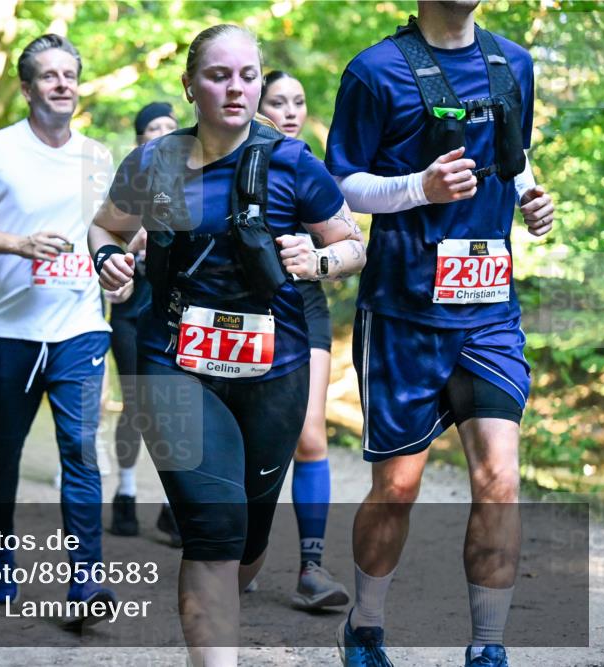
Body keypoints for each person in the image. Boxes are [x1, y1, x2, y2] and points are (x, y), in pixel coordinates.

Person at [90, 24, 366, 665]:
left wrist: (317, 260)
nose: (236, 87)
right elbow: (106, 226)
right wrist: (109, 259)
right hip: (174, 363)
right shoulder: (153, 163)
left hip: (275, 370)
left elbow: (353, 245)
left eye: (248, 75)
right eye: (219, 75)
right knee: (213, 530)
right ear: (190, 85)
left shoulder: (294, 162)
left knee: (246, 536)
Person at [324, 2, 555, 665]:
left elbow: (515, 159)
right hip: (403, 314)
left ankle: (487, 646)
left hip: (488, 313)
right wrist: (419, 188)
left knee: (500, 480)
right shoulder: (375, 71)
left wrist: (531, 196)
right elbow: (343, 185)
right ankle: (365, 627)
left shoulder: (514, 62)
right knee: (398, 487)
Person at [0, 34, 118, 623]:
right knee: (5, 451)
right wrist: (18, 244)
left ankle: (87, 585)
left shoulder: (97, 157)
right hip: (6, 331)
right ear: (26, 88)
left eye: (70, 73)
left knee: (80, 451)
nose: (62, 83)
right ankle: (0, 558)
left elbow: (112, 231)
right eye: (49, 75)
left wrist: (121, 260)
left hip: (80, 327)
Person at [255, 70, 350, 609]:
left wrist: (320, 258)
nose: (289, 111)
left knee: (310, 435)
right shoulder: (223, 158)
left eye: (298, 101)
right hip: (241, 317)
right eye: (277, 102)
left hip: (303, 308)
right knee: (252, 442)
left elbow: (342, 247)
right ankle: (242, 552)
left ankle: (312, 567)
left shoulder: (309, 165)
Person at [105, 101, 183, 549]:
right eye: (152, 128)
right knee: (137, 406)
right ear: (139, 139)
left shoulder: (200, 182)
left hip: (179, 315)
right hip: (133, 312)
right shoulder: (130, 184)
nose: (161, 133)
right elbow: (108, 240)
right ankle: (126, 490)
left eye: (169, 128)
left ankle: (175, 503)